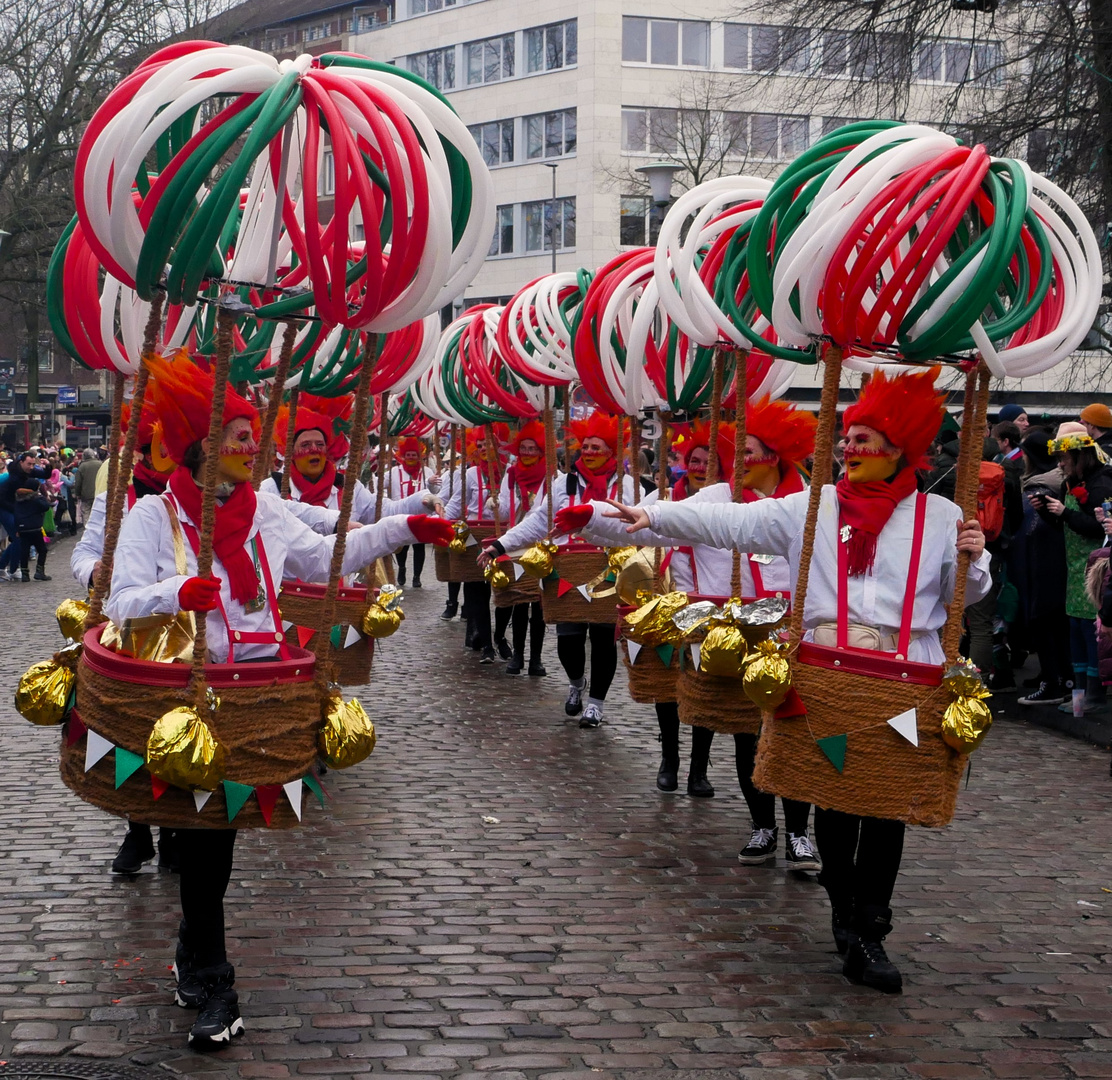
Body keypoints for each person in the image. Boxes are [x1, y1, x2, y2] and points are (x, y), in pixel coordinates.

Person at [604, 367, 990, 992]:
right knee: (833, 799)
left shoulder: (942, 516)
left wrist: (975, 556)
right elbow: (731, 525)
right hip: (824, 668)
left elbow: (961, 595)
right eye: (849, 436)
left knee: (886, 810)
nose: (851, 448)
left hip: (905, 676)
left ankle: (872, 927)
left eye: (867, 438)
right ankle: (844, 908)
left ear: (902, 450)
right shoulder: (813, 506)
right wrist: (655, 518)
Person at [107, 353, 452, 1049]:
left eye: (250, 435)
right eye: (234, 435)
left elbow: (327, 554)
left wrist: (404, 530)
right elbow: (119, 600)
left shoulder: (262, 509)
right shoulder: (153, 515)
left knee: (218, 842)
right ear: (199, 445)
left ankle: (194, 952)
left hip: (258, 693)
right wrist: (177, 593)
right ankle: (216, 980)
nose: (248, 447)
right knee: (204, 841)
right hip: (187, 699)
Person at [559, 404, 822, 871]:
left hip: (790, 635)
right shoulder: (718, 496)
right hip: (726, 633)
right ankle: (762, 826)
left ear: (775, 456)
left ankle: (801, 835)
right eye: (735, 451)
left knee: (788, 733)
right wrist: (592, 519)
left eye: (749, 451)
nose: (738, 460)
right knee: (746, 734)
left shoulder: (810, 501)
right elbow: (660, 521)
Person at [484, 410, 655, 728]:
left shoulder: (630, 487)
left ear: (611, 452)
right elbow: (537, 521)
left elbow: (647, 523)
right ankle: (577, 683)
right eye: (586, 447)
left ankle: (596, 705)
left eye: (597, 447)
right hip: (565, 570)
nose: (589, 453)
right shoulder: (563, 484)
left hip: (610, 569)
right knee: (569, 640)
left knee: (604, 638)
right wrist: (500, 545)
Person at [1033, 423, 1112, 715]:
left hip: (1094, 571)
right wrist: (1046, 511)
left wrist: (1064, 512)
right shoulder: (1072, 483)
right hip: (1075, 568)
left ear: (1081, 456)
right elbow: (1066, 528)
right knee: (1076, 631)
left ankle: (1093, 697)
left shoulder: (1101, 484)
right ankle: (1078, 700)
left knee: (1091, 632)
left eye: (1065, 457)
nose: (1061, 463)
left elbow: (1099, 528)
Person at [1015, 429, 1072, 705]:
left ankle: (1054, 681)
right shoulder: (1062, 482)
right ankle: (1062, 679)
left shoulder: (1037, 486)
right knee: (1059, 623)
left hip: (1044, 562)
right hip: (1060, 561)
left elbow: (1033, 529)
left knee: (1045, 621)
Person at [443, 426, 508, 664]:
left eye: (487, 444)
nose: (482, 449)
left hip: (503, 537)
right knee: (476, 592)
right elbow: (456, 504)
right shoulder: (470, 475)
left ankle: (500, 636)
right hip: (474, 538)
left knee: (505, 591)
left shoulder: (509, 472)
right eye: (478, 445)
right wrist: (441, 522)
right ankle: (487, 646)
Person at [492, 421, 550, 676]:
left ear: (541, 452)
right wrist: (496, 503)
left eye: (532, 449)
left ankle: (536, 658)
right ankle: (518, 655)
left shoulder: (551, 476)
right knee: (518, 600)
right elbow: (504, 508)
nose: (527, 453)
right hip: (516, 542)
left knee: (538, 603)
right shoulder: (511, 474)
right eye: (523, 448)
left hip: (542, 544)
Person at [388, 437, 438, 587]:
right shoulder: (394, 471)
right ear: (403, 456)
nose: (411, 458)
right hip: (401, 514)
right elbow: (380, 485)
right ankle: (402, 569)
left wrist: (430, 483)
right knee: (402, 545)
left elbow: (436, 491)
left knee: (419, 546)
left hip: (421, 515)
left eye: (413, 455)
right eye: (408, 455)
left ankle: (417, 576)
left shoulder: (427, 471)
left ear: (419, 456)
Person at [14, 474, 54, 581]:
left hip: (22, 529)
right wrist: (41, 496)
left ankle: (25, 574)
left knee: (24, 551)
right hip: (34, 528)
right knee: (42, 550)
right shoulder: (35, 498)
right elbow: (45, 507)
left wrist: (17, 528)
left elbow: (16, 514)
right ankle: (39, 571)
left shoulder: (18, 499)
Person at [72, 448, 101, 525]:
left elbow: (78, 482)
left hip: (86, 495)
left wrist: (77, 494)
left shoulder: (82, 466)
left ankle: (87, 531)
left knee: (86, 513)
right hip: (99, 493)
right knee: (97, 513)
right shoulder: (100, 464)